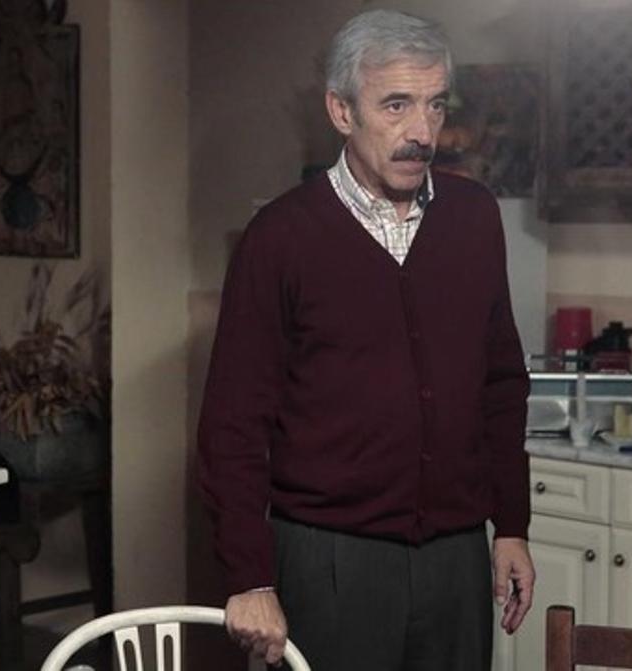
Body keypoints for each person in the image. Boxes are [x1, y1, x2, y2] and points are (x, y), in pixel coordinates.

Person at [197, 9, 535, 670]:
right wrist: (249, 576)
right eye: (397, 105)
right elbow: (233, 423)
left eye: (436, 105)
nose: (422, 132)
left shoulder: (474, 217)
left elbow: (501, 383)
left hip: (456, 559)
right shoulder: (280, 237)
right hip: (328, 559)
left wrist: (512, 524)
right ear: (342, 111)